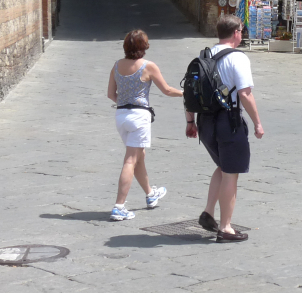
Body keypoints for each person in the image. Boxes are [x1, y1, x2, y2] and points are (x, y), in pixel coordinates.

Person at [186, 15, 264, 242]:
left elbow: (191, 93)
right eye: (242, 30)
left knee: (222, 166)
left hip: (205, 122)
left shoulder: (204, 56)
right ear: (236, 33)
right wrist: (257, 123)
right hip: (228, 123)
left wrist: (190, 122)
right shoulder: (237, 58)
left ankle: (208, 213)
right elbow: (245, 94)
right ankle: (226, 227)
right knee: (231, 173)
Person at [106, 30, 183, 221]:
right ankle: (119, 206)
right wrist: (185, 93)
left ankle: (150, 194)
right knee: (130, 160)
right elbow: (166, 90)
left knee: (139, 157)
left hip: (121, 115)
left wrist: (125, 104)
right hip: (139, 116)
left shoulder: (116, 66)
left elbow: (110, 94)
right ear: (144, 47)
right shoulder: (148, 66)